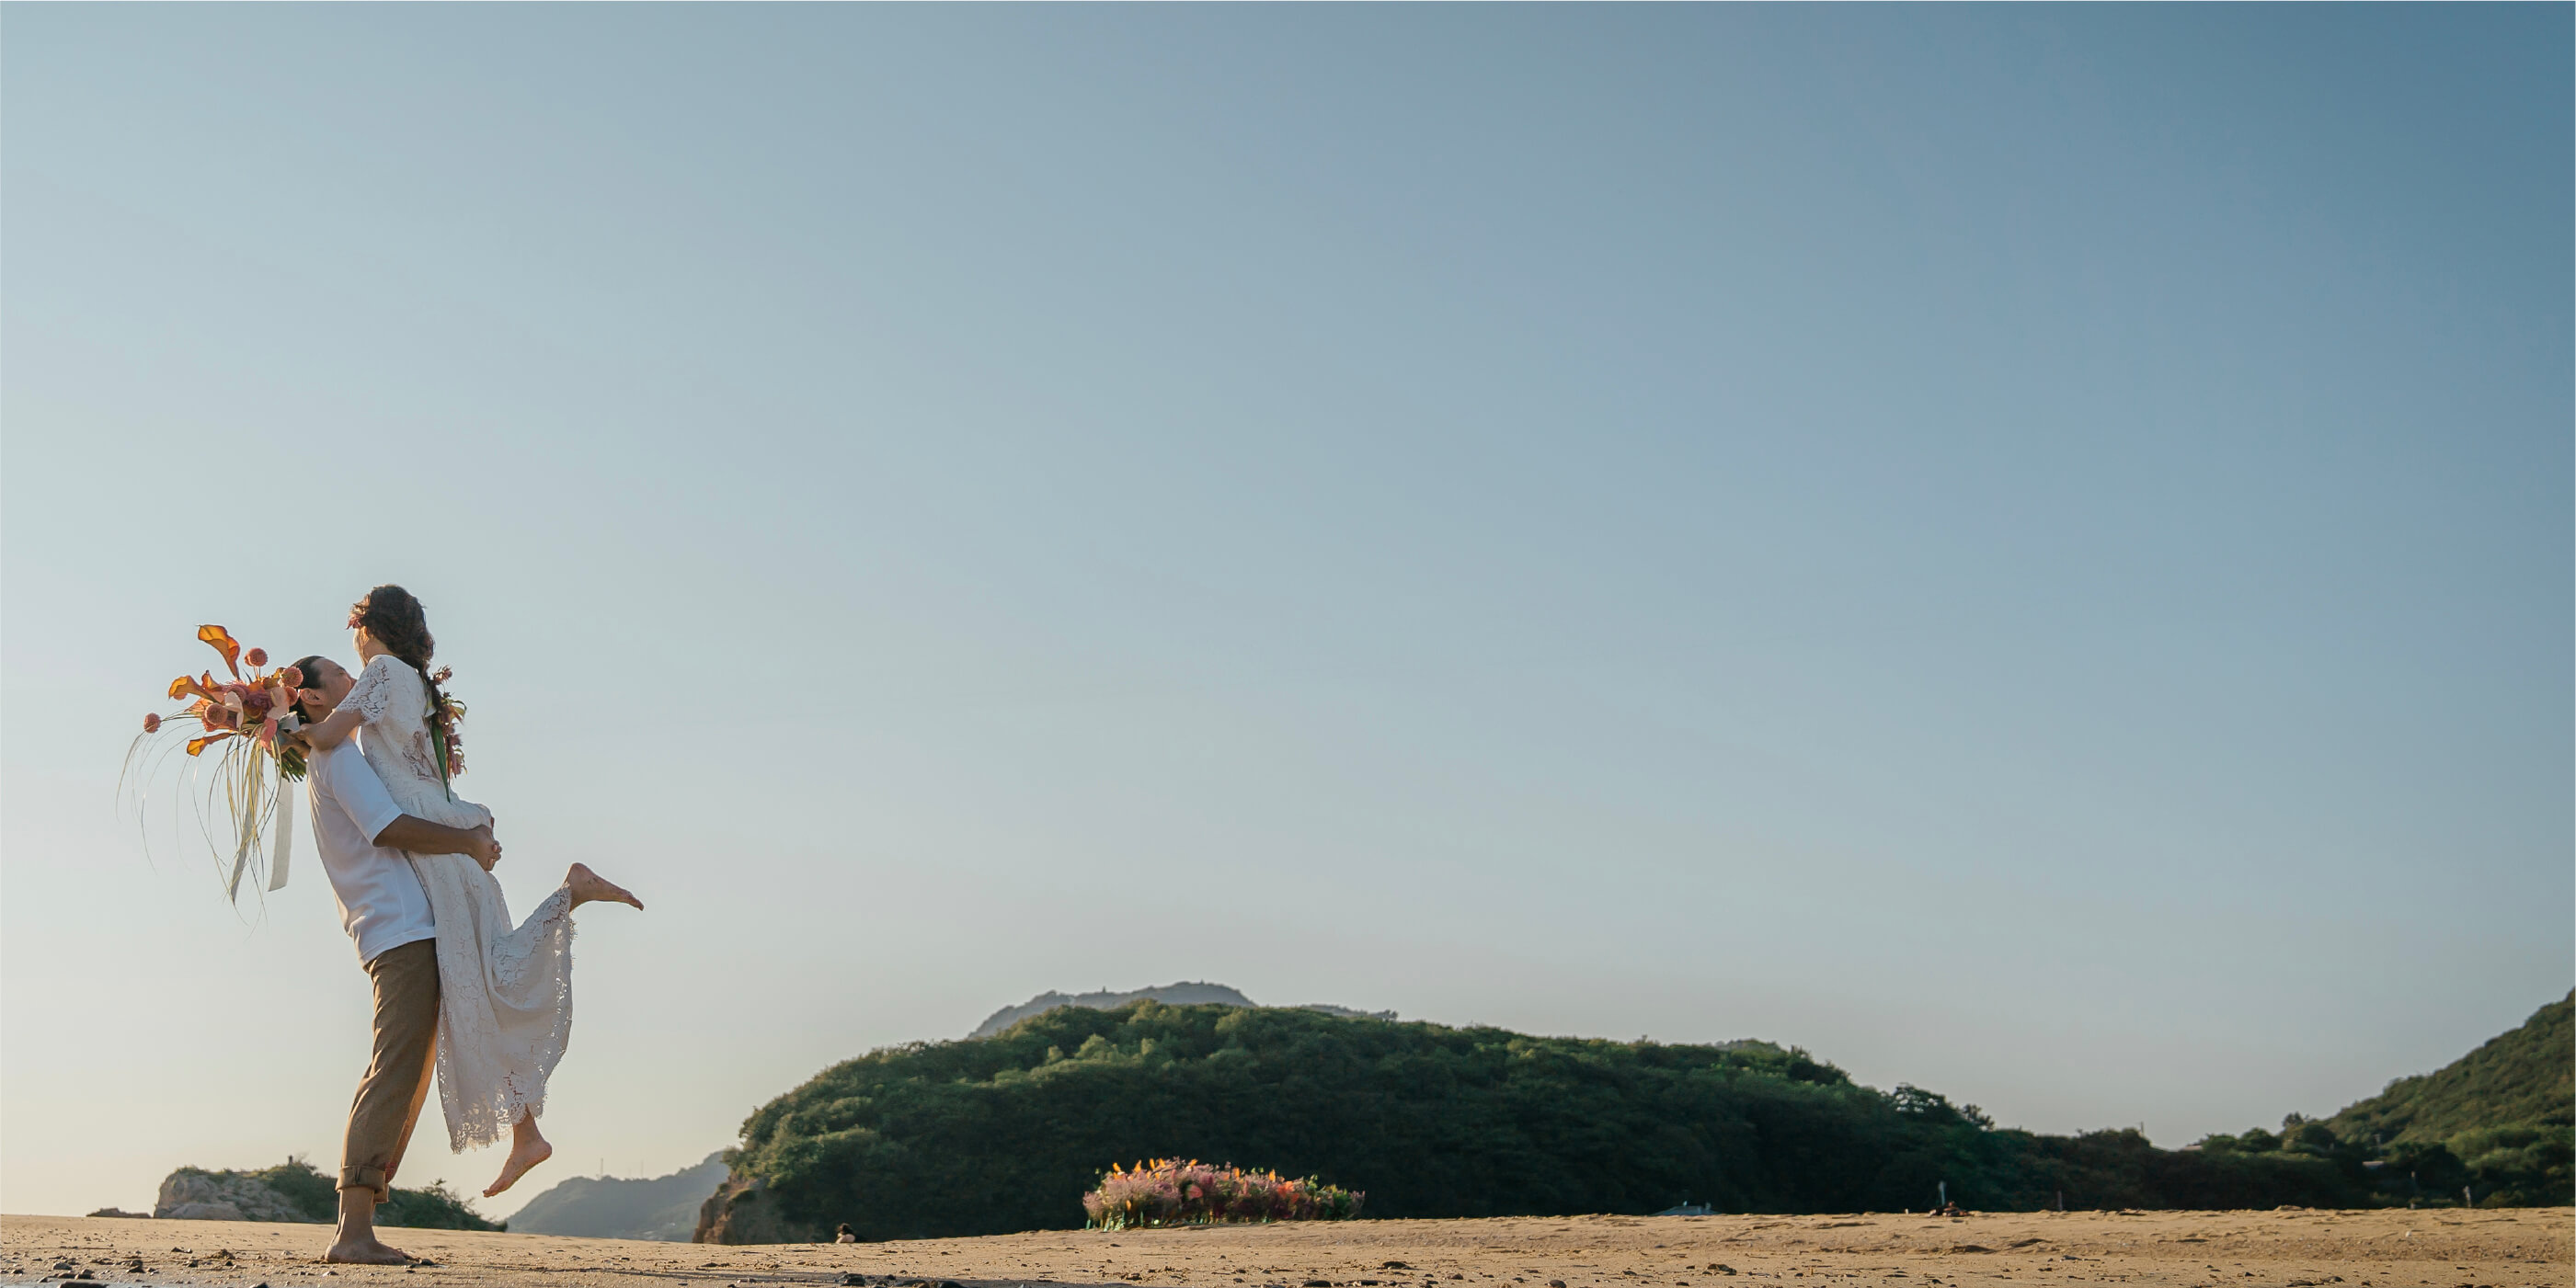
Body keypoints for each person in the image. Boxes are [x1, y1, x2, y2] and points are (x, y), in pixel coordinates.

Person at [296, 584, 643, 1200]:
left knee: (476, 983)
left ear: (366, 626)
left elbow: (328, 736)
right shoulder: (420, 687)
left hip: (435, 845)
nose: (352, 655)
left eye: (352, 637)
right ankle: (525, 1130)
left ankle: (570, 894)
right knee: (484, 979)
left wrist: (278, 726)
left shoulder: (380, 672)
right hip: (450, 828)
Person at [291, 654, 503, 1265]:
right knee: (393, 1070)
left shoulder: (339, 756)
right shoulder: (339, 757)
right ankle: (352, 1231)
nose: (353, 681)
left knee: (402, 1071)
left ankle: (359, 1222)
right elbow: (386, 828)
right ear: (312, 699)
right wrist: (466, 840)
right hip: (400, 931)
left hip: (399, 928)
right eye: (338, 674)